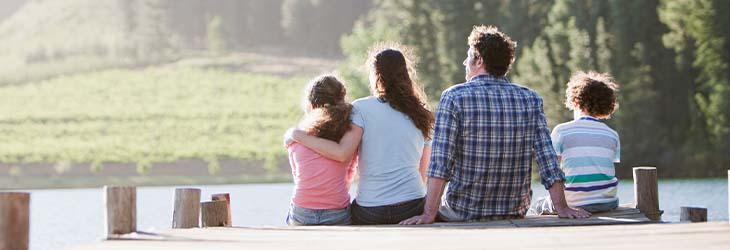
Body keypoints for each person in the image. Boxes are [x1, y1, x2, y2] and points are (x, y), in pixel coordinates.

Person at [401, 25, 590, 225]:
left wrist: (429, 214)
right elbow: (547, 159)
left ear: (479, 59)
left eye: (468, 57)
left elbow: (441, 162)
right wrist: (561, 207)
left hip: (463, 211)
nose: (465, 62)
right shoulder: (530, 99)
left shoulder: (454, 97)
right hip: (513, 210)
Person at [286, 44, 434, 224]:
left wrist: (297, 135)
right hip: (412, 205)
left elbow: (342, 153)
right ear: (405, 73)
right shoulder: (422, 114)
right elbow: (423, 173)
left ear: (375, 75)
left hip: (371, 210)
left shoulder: (361, 108)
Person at [531, 71, 621, 215]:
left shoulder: (562, 131)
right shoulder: (612, 134)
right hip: (608, 203)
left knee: (538, 205)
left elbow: (553, 170)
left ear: (576, 101)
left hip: (574, 203)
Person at [285, 75, 357, 226]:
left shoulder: (296, 137)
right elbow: (350, 175)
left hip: (302, 210)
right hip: (336, 210)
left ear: (311, 105)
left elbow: (298, 176)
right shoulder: (349, 134)